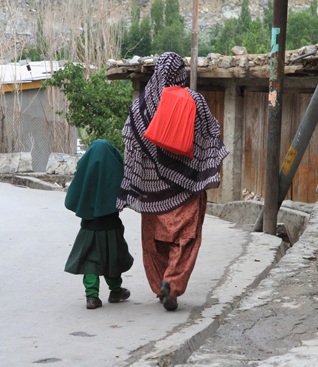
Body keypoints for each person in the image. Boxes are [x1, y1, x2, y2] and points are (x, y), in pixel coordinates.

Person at [117, 52, 229, 311]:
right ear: (182, 74)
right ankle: (172, 284)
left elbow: (129, 141)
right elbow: (212, 134)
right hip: (187, 190)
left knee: (154, 243)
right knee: (185, 240)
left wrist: (134, 184)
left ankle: (160, 286)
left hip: (152, 195)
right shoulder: (195, 101)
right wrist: (206, 169)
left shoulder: (141, 106)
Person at [64, 139, 133, 310]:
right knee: (113, 258)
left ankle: (92, 297)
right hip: (111, 226)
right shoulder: (115, 169)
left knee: (90, 260)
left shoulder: (85, 168)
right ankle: (116, 291)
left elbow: (74, 192)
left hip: (89, 226)